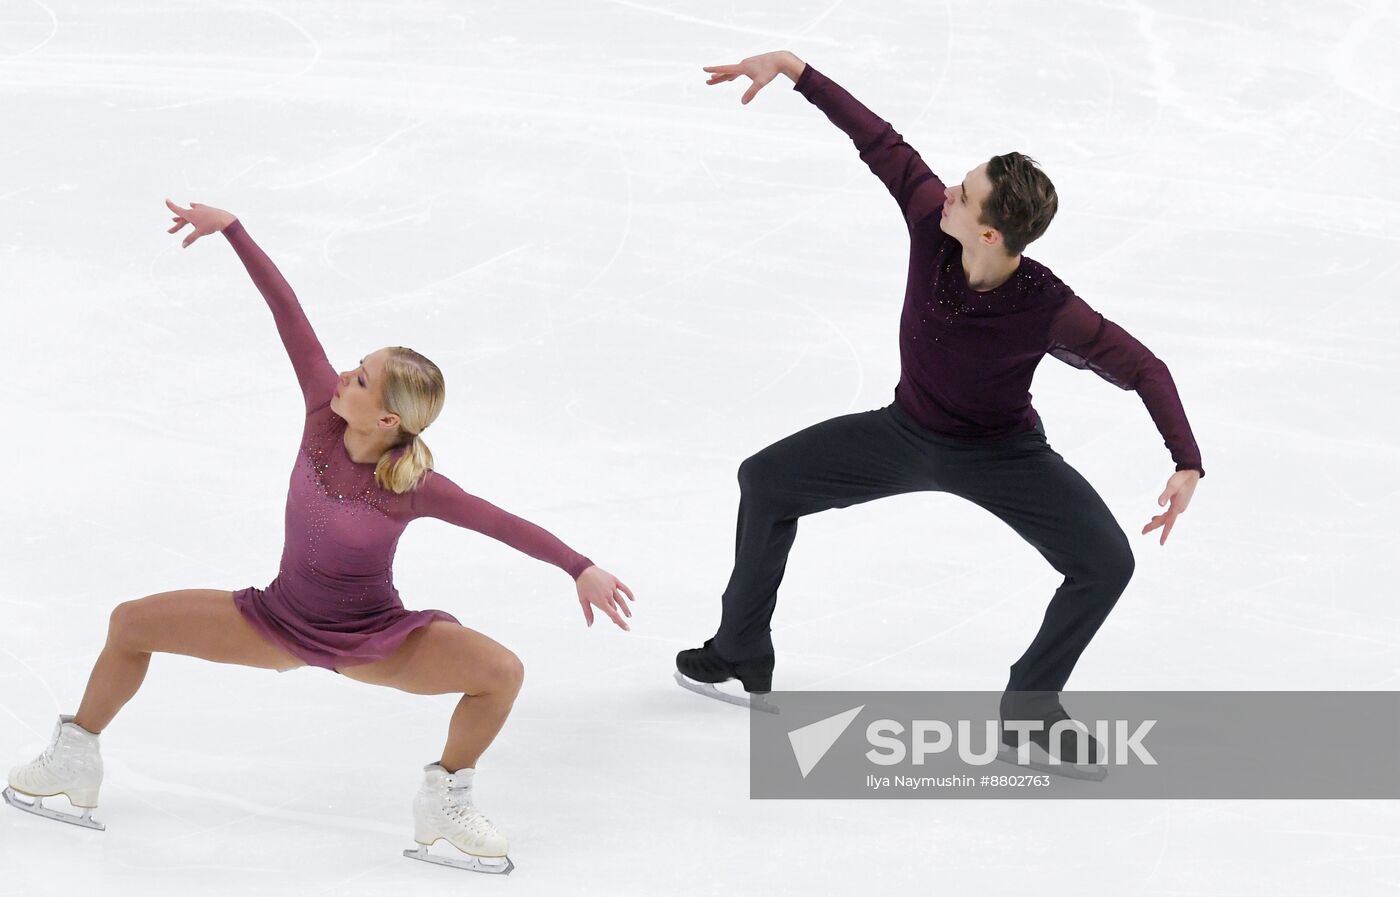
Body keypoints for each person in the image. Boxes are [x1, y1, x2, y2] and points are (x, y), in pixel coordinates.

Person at [3, 199, 635, 873]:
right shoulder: (320, 416)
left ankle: (446, 797)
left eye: (359, 378)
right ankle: (73, 760)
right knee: (131, 622)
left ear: (388, 417)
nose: (342, 376)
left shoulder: (414, 485)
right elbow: (289, 313)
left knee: (501, 672)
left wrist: (579, 566)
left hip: (373, 641)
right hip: (274, 619)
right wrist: (234, 232)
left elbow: (500, 521)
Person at [674, 52, 1203, 776]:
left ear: (992, 234)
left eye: (965, 191)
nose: (946, 189)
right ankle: (740, 651)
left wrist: (1186, 459)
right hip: (903, 433)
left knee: (1107, 563)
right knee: (765, 480)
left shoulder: (1047, 305)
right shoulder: (932, 221)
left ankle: (1029, 710)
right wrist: (796, 70)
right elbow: (881, 142)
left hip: (1003, 456)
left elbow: (1143, 366)